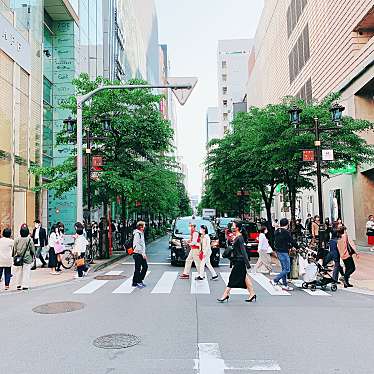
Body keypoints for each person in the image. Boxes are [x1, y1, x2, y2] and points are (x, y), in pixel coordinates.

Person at [218, 221, 256, 303]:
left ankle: (225, 294)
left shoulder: (240, 238)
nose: (232, 227)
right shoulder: (237, 237)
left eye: (233, 226)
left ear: (237, 228)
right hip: (237, 260)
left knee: (232, 278)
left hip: (240, 261)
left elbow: (243, 251)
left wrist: (247, 264)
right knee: (245, 277)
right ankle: (252, 293)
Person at [271, 218, 298, 291]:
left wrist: (290, 246)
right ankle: (275, 280)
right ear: (287, 224)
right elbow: (291, 241)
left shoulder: (277, 231)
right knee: (287, 269)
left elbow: (281, 241)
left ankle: (285, 284)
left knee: (284, 269)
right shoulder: (286, 232)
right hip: (284, 252)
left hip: (278, 251)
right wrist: (297, 246)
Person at [13, 225, 35, 290]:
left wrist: (13, 255)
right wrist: (34, 255)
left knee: (18, 271)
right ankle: (25, 285)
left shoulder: (17, 239)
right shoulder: (29, 239)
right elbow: (32, 249)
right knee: (26, 271)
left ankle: (18, 284)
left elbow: (14, 249)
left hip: (18, 258)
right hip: (27, 258)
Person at [132, 221, 148, 288]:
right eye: (144, 226)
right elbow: (137, 245)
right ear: (141, 227)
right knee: (142, 267)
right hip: (138, 253)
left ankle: (135, 282)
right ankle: (139, 281)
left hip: (140, 253)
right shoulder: (137, 234)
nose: (145, 227)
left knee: (140, 268)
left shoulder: (141, 233)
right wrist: (142, 253)